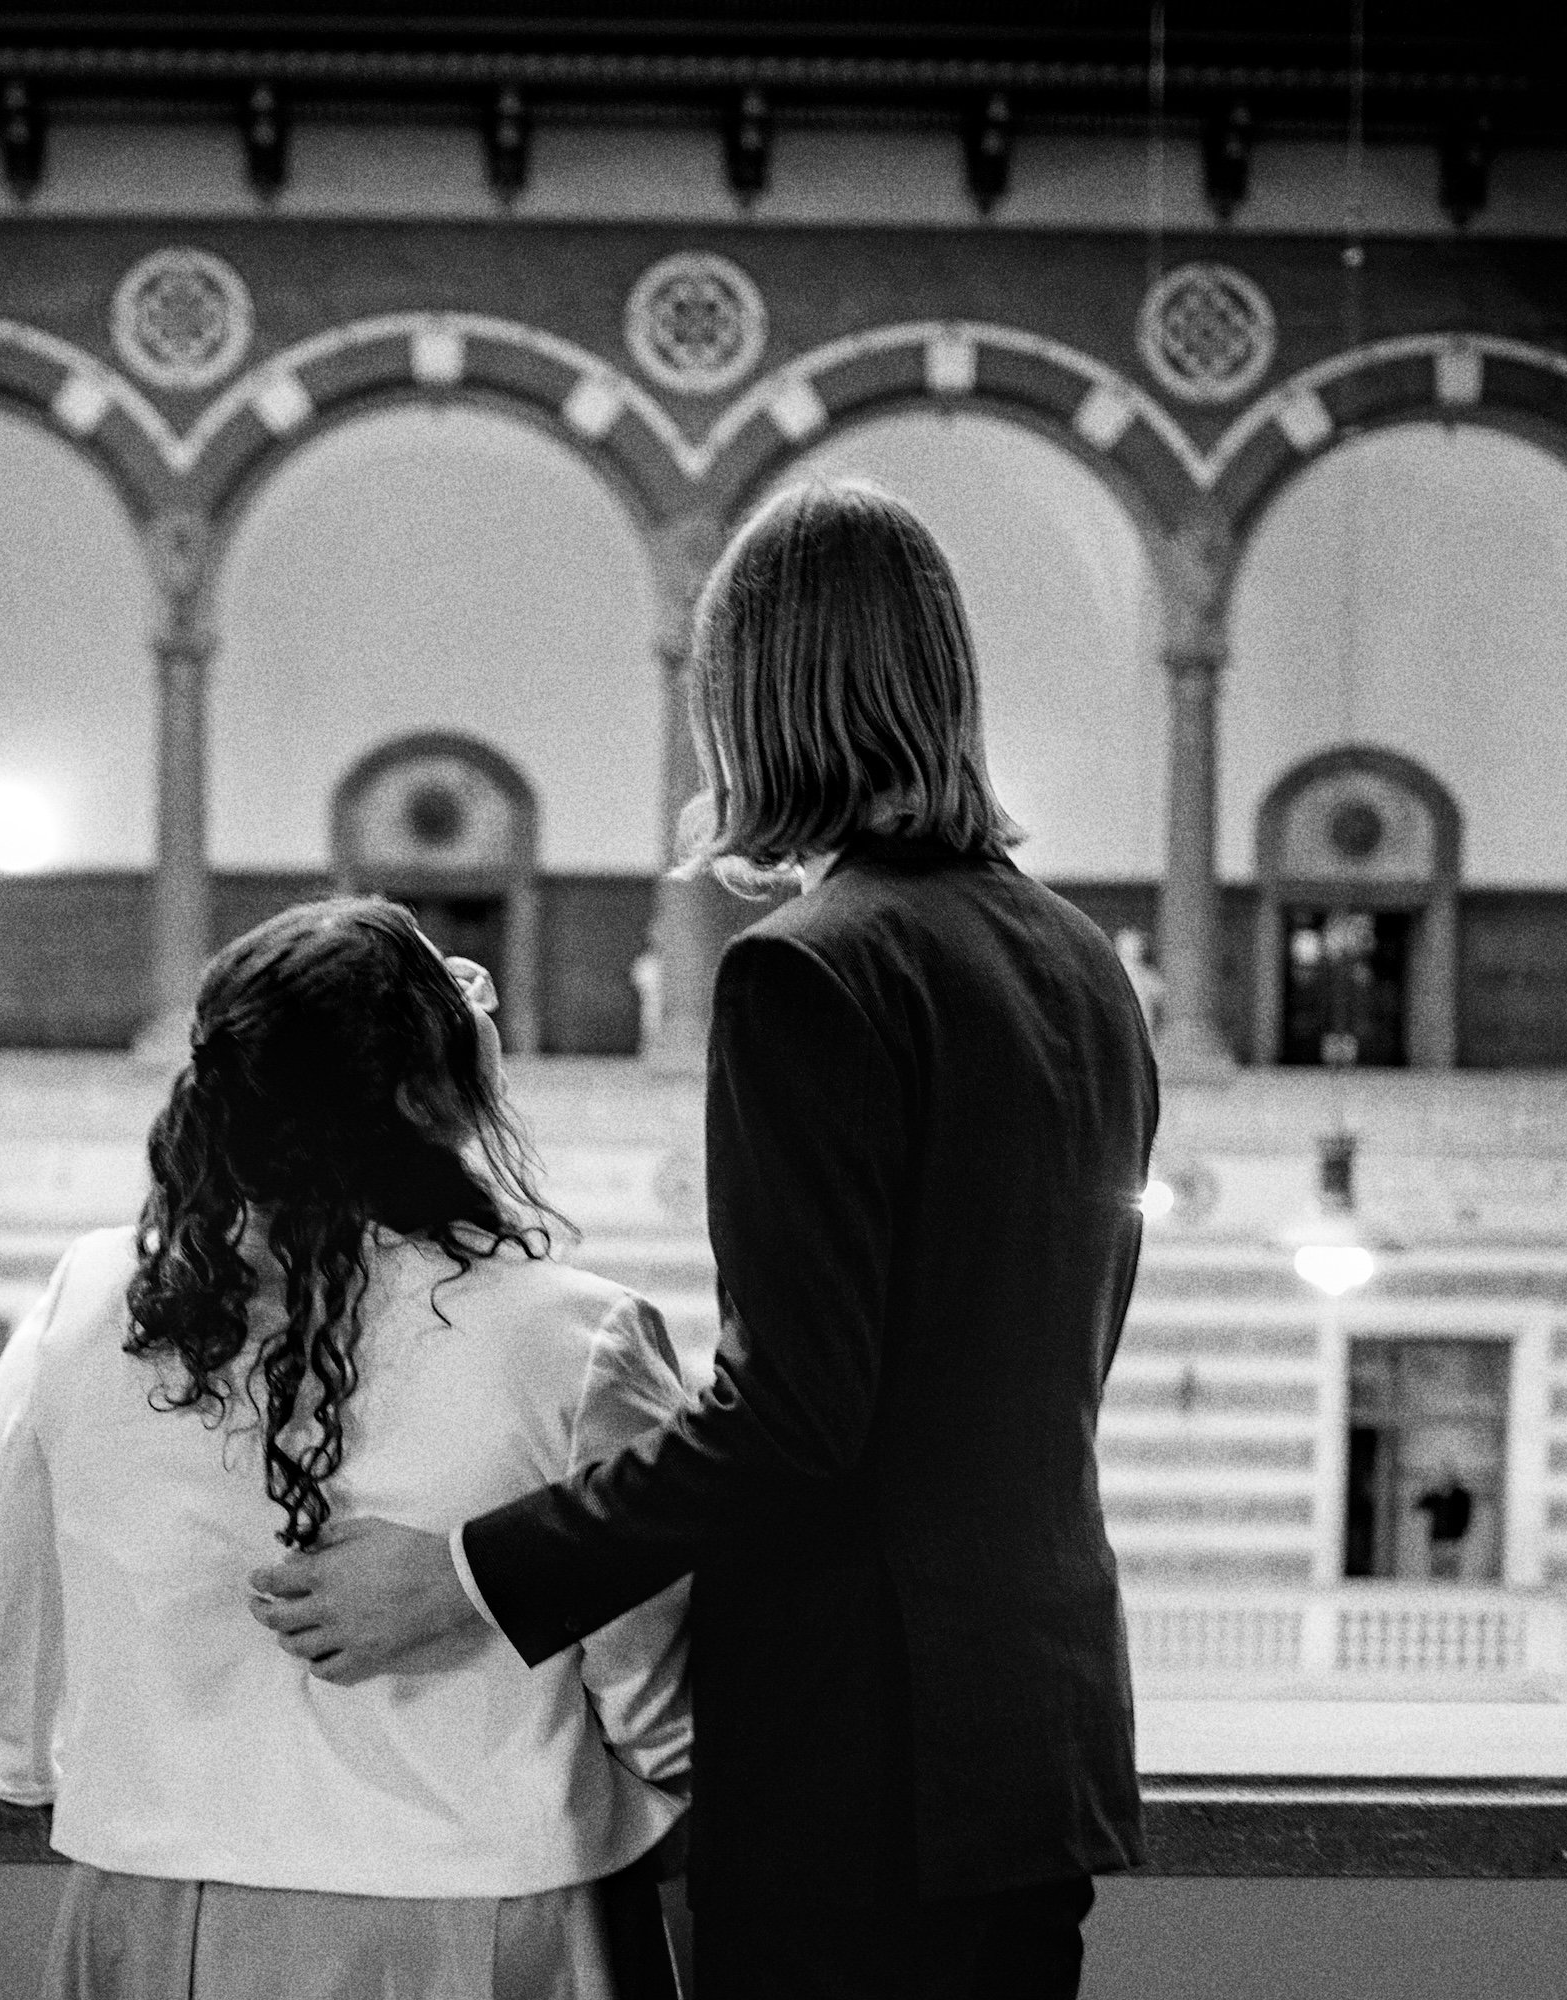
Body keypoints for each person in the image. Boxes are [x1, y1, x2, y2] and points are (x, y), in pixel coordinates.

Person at [250, 480, 1161, 2000]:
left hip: (852, 1765)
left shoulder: (809, 974)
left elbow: (793, 1418)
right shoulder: (1082, 969)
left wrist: (466, 1574)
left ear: (746, 702)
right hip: (1031, 1736)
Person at [0, 898, 692, 2000]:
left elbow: (0, 1606)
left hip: (153, 1909)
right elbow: (661, 1691)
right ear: (432, 1092)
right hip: (488, 1919)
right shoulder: (573, 1339)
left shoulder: (88, 1300)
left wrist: (20, 1750)